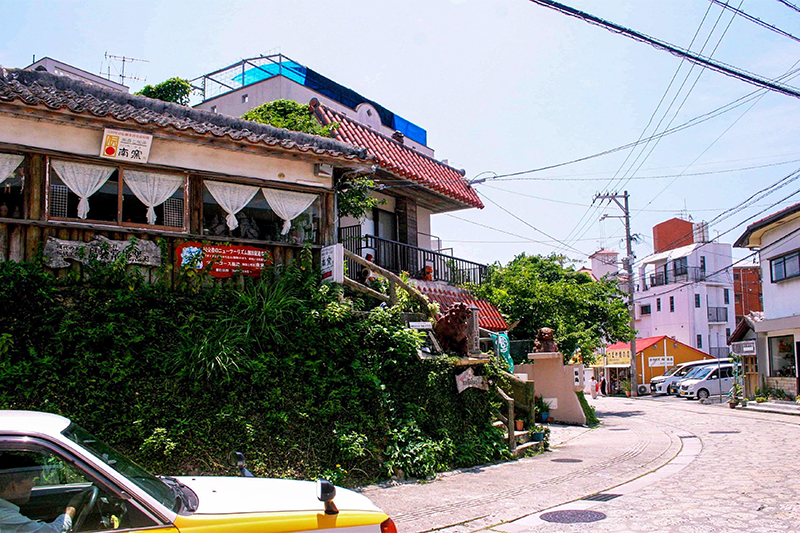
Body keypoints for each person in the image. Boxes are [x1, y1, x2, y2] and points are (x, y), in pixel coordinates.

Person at [0, 453, 84, 533]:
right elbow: (52, 531)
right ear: (12, 485)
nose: (33, 484)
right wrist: (70, 510)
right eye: (31, 479)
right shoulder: (7, 517)